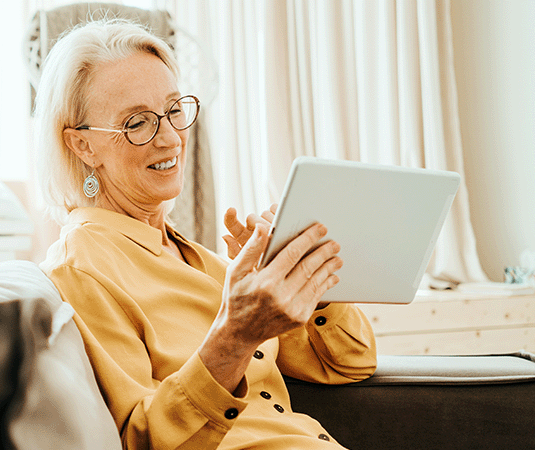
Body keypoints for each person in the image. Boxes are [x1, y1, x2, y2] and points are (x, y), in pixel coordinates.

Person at [35, 19, 377, 450]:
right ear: (83, 145)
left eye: (174, 110)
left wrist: (304, 280)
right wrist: (235, 336)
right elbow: (142, 440)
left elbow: (350, 363)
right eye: (137, 123)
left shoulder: (206, 262)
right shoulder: (82, 268)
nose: (170, 138)